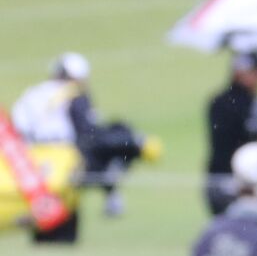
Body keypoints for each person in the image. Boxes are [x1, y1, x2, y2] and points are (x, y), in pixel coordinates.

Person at [12, 53, 153, 241]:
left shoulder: (32, 93)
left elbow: (17, 127)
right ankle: (110, 190)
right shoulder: (74, 94)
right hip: (64, 160)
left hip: (29, 163)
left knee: (44, 217)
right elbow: (88, 133)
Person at [204, 50, 257, 215]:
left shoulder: (219, 101)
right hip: (235, 184)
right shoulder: (242, 104)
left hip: (221, 181)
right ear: (240, 73)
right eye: (255, 72)